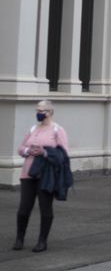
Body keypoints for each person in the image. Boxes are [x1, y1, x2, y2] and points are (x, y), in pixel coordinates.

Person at [13, 100, 69, 252]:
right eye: (37, 110)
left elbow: (63, 155)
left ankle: (42, 241)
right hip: (28, 173)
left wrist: (44, 152)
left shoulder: (58, 130)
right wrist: (28, 151)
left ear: (49, 112)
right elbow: (20, 148)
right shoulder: (33, 128)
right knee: (24, 208)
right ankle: (19, 239)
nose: (38, 113)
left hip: (47, 175)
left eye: (41, 110)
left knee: (45, 208)